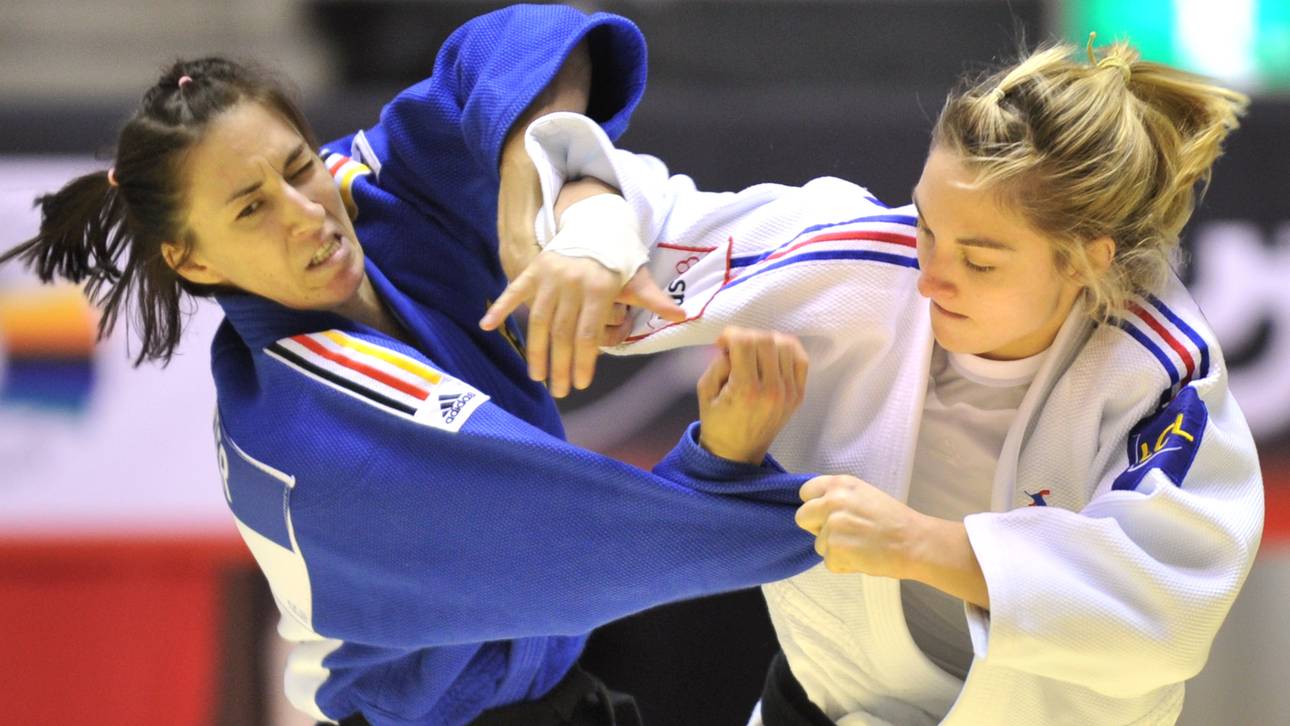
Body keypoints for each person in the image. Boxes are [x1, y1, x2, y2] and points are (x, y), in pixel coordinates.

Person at [0, 6, 837, 726]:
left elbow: (530, 35)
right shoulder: (313, 433)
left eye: (297, 168)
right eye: (251, 210)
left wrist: (536, 181)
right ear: (193, 262)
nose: (308, 216)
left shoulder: (368, 191)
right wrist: (804, 496)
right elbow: (607, 545)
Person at [492, 35, 1265, 725]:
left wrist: (919, 544)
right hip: (823, 706)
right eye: (929, 225)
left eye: (981, 259)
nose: (932, 275)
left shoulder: (1159, 369)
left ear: (1088, 260)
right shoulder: (858, 264)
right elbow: (620, 192)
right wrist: (591, 236)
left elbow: (1165, 604)